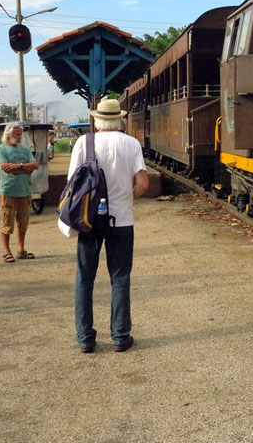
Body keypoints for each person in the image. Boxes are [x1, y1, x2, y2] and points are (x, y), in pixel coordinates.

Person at [68, 99, 148, 353]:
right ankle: (120, 336)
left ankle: (85, 339)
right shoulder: (131, 143)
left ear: (97, 119)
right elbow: (143, 183)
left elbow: (73, 183)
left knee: (85, 278)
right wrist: (127, 197)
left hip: (89, 220)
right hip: (122, 220)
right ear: (120, 119)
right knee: (120, 277)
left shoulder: (84, 142)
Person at [0, 123, 38, 263]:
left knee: (23, 221)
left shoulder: (25, 149)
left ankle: (21, 248)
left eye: (20, 134)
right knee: (7, 221)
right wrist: (25, 169)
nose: (20, 137)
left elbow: (35, 165)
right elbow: (6, 168)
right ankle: (6, 250)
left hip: (25, 190)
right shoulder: (1, 149)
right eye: (17, 134)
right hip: (8, 191)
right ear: (8, 134)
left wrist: (18, 166)